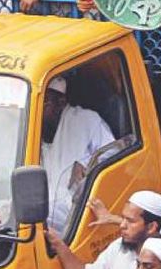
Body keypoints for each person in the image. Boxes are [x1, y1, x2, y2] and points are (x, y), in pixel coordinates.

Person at [37, 76, 115, 231]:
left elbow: (114, 152)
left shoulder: (86, 120)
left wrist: (86, 163)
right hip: (40, 203)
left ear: (61, 102)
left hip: (74, 207)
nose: (40, 109)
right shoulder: (34, 123)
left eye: (45, 103)